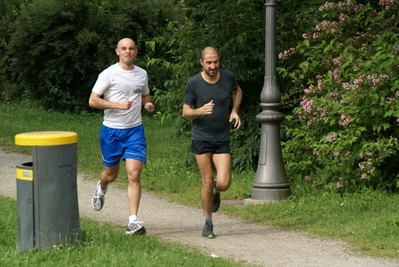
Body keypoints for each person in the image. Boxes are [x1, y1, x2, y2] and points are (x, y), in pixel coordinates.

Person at [89, 38, 155, 235]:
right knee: (111, 174)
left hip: (135, 131)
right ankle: (101, 188)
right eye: (124, 49)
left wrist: (147, 104)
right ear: (117, 51)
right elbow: (93, 101)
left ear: (135, 52)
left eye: (131, 49)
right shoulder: (108, 74)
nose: (128, 51)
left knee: (134, 174)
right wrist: (117, 105)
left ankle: (132, 221)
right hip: (111, 132)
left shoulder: (142, 74)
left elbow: (145, 95)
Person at [182, 46, 242, 238]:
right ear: (201, 63)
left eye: (215, 62)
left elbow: (237, 92)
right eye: (209, 62)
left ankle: (216, 191)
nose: (213, 66)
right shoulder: (194, 83)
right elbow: (185, 112)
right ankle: (208, 222)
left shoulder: (228, 77)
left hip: (221, 137)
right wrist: (200, 111)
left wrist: (234, 111)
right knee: (207, 181)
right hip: (201, 137)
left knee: (223, 183)